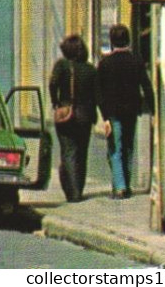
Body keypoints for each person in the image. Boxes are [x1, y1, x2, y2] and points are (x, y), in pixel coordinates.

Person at [96, 22, 154, 199]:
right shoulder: (136, 61)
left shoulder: (105, 63)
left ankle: (120, 187)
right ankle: (125, 183)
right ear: (128, 40)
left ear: (112, 41)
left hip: (113, 112)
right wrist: (152, 110)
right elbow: (147, 86)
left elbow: (99, 92)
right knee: (128, 147)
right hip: (132, 111)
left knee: (115, 148)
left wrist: (104, 115)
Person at [49, 33, 99, 202]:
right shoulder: (90, 69)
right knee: (82, 152)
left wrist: (56, 103)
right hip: (85, 116)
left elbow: (52, 84)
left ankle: (73, 192)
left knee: (68, 152)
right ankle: (79, 188)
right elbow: (96, 94)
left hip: (66, 115)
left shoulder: (61, 66)